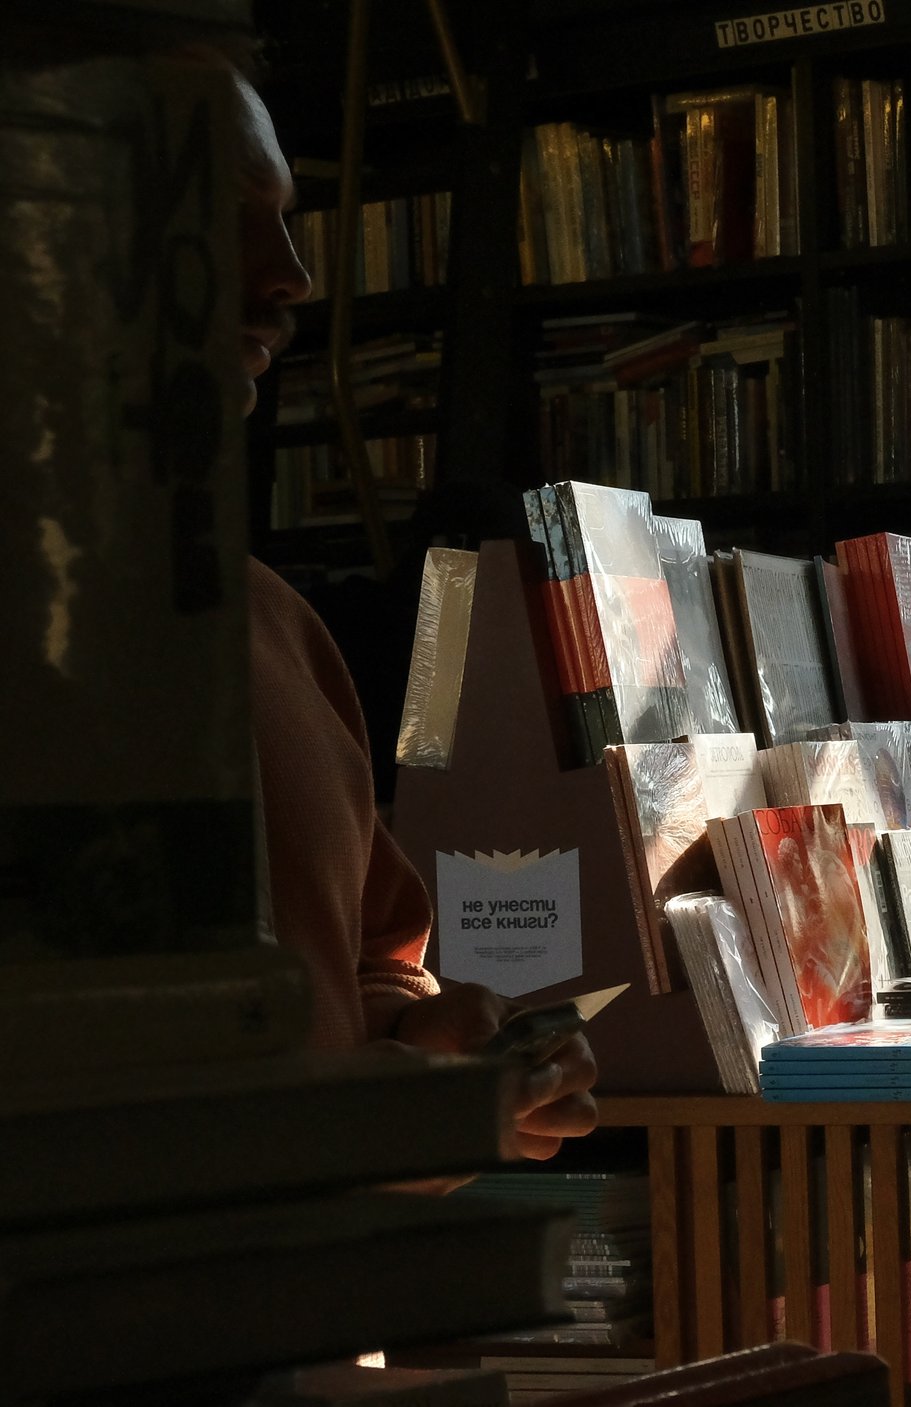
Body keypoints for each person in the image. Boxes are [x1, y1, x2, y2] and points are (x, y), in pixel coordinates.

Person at [219, 48, 597, 1159]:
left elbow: (376, 957)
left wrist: (447, 1057)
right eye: (222, 214)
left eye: (292, 221)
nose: (290, 274)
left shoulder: (274, 623)